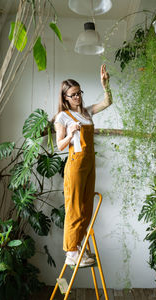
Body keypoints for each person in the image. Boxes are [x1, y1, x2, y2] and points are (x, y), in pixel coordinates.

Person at [54, 64, 112, 267]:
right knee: (74, 208)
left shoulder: (87, 113)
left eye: (79, 93)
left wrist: (105, 85)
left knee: (86, 206)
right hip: (76, 165)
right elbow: (60, 145)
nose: (77, 97)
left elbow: (107, 102)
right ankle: (70, 251)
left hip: (90, 163)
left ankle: (79, 246)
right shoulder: (62, 117)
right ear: (65, 98)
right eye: (73, 95)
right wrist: (70, 134)